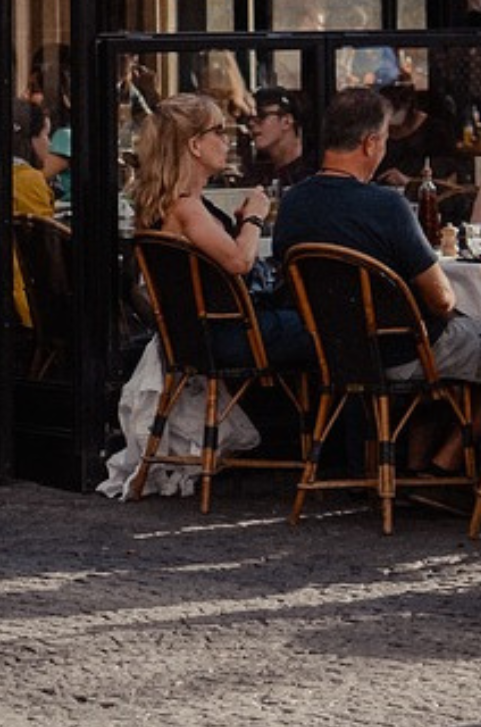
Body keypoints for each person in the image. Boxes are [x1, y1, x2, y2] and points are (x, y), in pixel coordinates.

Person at [275, 88, 480, 474]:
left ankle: (420, 462)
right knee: (454, 337)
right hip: (403, 354)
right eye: (385, 139)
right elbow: (441, 300)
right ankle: (447, 461)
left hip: (334, 353)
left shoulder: (293, 203)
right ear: (370, 143)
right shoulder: (387, 206)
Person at [129, 94, 309, 367]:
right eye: (219, 132)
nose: (228, 142)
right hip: (227, 336)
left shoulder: (172, 202)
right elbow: (239, 261)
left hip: (197, 335)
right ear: (195, 145)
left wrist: (237, 227)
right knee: (327, 326)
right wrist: (254, 218)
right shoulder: (187, 207)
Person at [0, 98, 55, 328]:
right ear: (30, 139)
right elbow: (47, 251)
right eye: (46, 135)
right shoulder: (28, 181)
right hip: (20, 304)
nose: (49, 145)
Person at [241, 85, 316, 189]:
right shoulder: (258, 175)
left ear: (286, 121)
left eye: (261, 116)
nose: (251, 123)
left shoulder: (312, 173)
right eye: (248, 118)